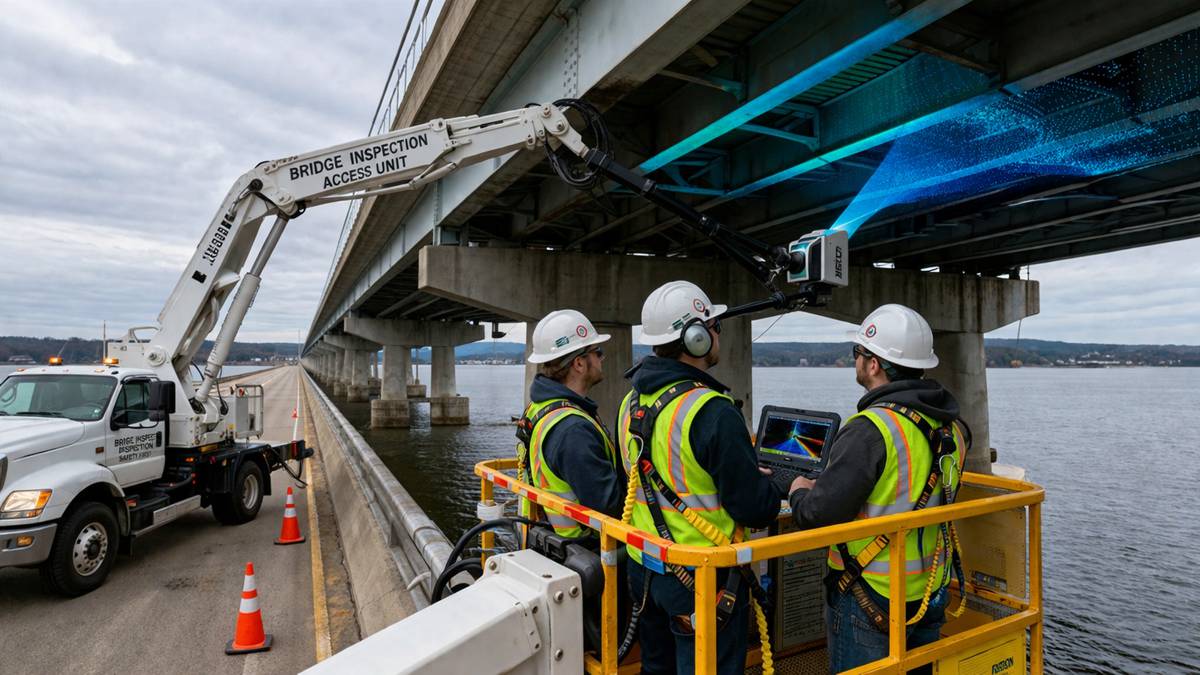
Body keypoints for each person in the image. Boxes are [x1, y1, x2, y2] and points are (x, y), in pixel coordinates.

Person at [787, 304, 969, 673]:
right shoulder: (955, 430)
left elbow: (817, 514)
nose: (856, 361)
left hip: (869, 593)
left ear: (873, 364)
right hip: (930, 591)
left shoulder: (869, 429)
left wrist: (798, 489)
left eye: (858, 353)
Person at [619, 280, 782, 675]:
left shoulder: (631, 401)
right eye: (714, 326)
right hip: (702, 575)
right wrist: (776, 486)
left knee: (656, 667)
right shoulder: (713, 410)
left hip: (645, 567)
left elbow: (655, 473)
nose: (716, 335)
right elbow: (753, 508)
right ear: (694, 337)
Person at [519, 309, 623, 539]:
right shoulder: (572, 429)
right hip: (586, 551)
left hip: (551, 541)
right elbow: (610, 506)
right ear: (579, 363)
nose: (602, 358)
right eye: (598, 352)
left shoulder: (539, 408)